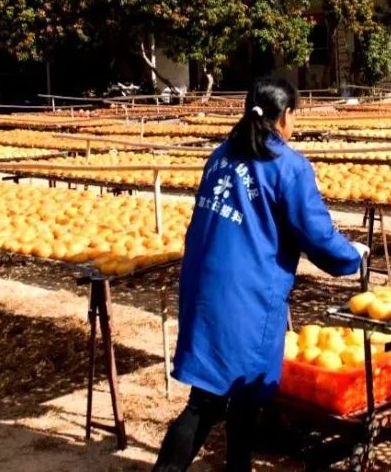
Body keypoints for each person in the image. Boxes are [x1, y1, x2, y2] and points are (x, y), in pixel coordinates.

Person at [153, 77, 368, 472]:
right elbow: (316, 233)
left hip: (205, 283)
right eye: (294, 117)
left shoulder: (220, 155)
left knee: (235, 393)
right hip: (245, 295)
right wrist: (351, 257)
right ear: (284, 116)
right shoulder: (287, 166)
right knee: (212, 400)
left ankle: (238, 466)